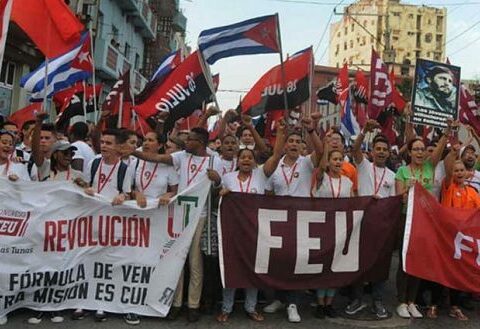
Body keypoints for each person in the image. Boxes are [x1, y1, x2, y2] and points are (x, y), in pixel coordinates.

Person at [131, 127, 223, 323]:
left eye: (189, 139)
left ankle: (193, 305)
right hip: (178, 215)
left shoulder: (215, 161)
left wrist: (217, 181)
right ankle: (175, 303)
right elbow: (156, 159)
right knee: (176, 261)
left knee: (195, 262)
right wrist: (133, 152)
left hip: (200, 216)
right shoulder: (182, 156)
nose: (185, 142)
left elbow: (219, 191)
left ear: (200, 142)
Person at [216, 119, 286, 323]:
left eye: (249, 157)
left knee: (252, 270)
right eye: (243, 157)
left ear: (254, 161)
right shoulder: (228, 178)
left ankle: (250, 307)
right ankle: (227, 308)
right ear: (237, 161)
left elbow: (276, 156)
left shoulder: (261, 175)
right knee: (231, 269)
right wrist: (221, 192)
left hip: (256, 231)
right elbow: (217, 198)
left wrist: (280, 134)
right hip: (233, 233)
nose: (246, 160)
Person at [263, 117, 322, 323]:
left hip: (301, 220)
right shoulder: (274, 167)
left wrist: (312, 130)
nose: (294, 144)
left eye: (298, 142)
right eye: (291, 141)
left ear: (302, 146)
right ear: (285, 145)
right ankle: (279, 299)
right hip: (279, 221)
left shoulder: (306, 163)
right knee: (280, 261)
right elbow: (268, 193)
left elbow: (321, 153)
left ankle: (293, 303)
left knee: (297, 262)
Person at [394, 119, 453, 319]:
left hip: (426, 223)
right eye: (416, 149)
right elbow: (399, 198)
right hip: (407, 221)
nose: (419, 152)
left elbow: (441, 146)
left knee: (418, 261)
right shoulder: (402, 171)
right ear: (409, 152)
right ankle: (401, 301)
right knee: (405, 261)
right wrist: (409, 189)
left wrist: (446, 130)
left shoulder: (430, 167)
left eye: (422, 149)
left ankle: (412, 301)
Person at [74, 129, 134, 322]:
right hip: (92, 217)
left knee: (106, 262)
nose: (104, 146)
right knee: (87, 258)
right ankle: (83, 300)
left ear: (118, 147)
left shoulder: (125, 168)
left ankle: (101, 302)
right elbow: (84, 184)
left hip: (112, 221)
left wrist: (122, 196)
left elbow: (127, 193)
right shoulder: (94, 163)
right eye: (102, 142)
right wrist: (86, 187)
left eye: (109, 143)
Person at [344, 119, 396, 319]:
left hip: (382, 226)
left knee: (380, 264)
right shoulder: (363, 165)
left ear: (389, 153)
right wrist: (365, 130)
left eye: (385, 149)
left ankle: (378, 300)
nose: (381, 152)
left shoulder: (392, 175)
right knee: (358, 262)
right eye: (378, 148)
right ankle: (357, 299)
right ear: (372, 151)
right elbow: (355, 148)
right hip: (361, 223)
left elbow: (393, 201)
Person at [425, 144, 479, 321]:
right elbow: (447, 169)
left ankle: (454, 306)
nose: (459, 173)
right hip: (445, 237)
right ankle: (434, 304)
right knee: (440, 271)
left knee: (458, 273)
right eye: (455, 170)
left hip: (462, 241)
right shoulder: (448, 187)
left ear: (467, 172)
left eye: (461, 170)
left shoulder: (473, 192)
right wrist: (455, 151)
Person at [311, 141, 354, 319]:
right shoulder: (322, 178)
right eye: (334, 159)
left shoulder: (347, 182)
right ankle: (320, 304)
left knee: (335, 266)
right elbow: (320, 168)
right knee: (324, 267)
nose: (338, 162)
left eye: (340, 160)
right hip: (323, 227)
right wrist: (327, 145)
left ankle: (330, 303)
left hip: (340, 228)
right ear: (328, 162)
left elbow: (354, 202)